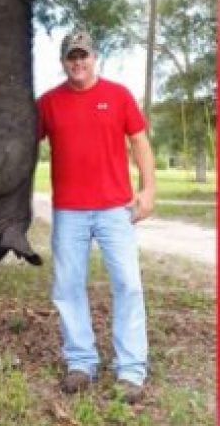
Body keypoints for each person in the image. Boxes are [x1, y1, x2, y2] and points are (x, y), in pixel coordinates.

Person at [36, 29, 156, 404]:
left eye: (83, 55)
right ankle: (80, 362)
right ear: (63, 61)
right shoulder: (48, 103)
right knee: (68, 287)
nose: (78, 62)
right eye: (72, 56)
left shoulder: (118, 95)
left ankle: (131, 369)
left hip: (114, 210)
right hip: (69, 211)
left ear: (94, 57)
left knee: (128, 285)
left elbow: (139, 142)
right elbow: (23, 147)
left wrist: (148, 189)